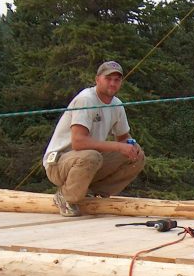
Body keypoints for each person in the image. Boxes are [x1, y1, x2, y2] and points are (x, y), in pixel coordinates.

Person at [43, 61, 145, 216]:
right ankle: (65, 197)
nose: (112, 83)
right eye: (108, 78)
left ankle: (92, 192)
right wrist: (118, 146)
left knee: (137, 156)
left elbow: (124, 137)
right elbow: (79, 142)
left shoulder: (117, 105)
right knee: (92, 156)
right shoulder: (86, 99)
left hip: (89, 162)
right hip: (59, 163)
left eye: (117, 80)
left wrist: (131, 146)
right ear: (98, 79)